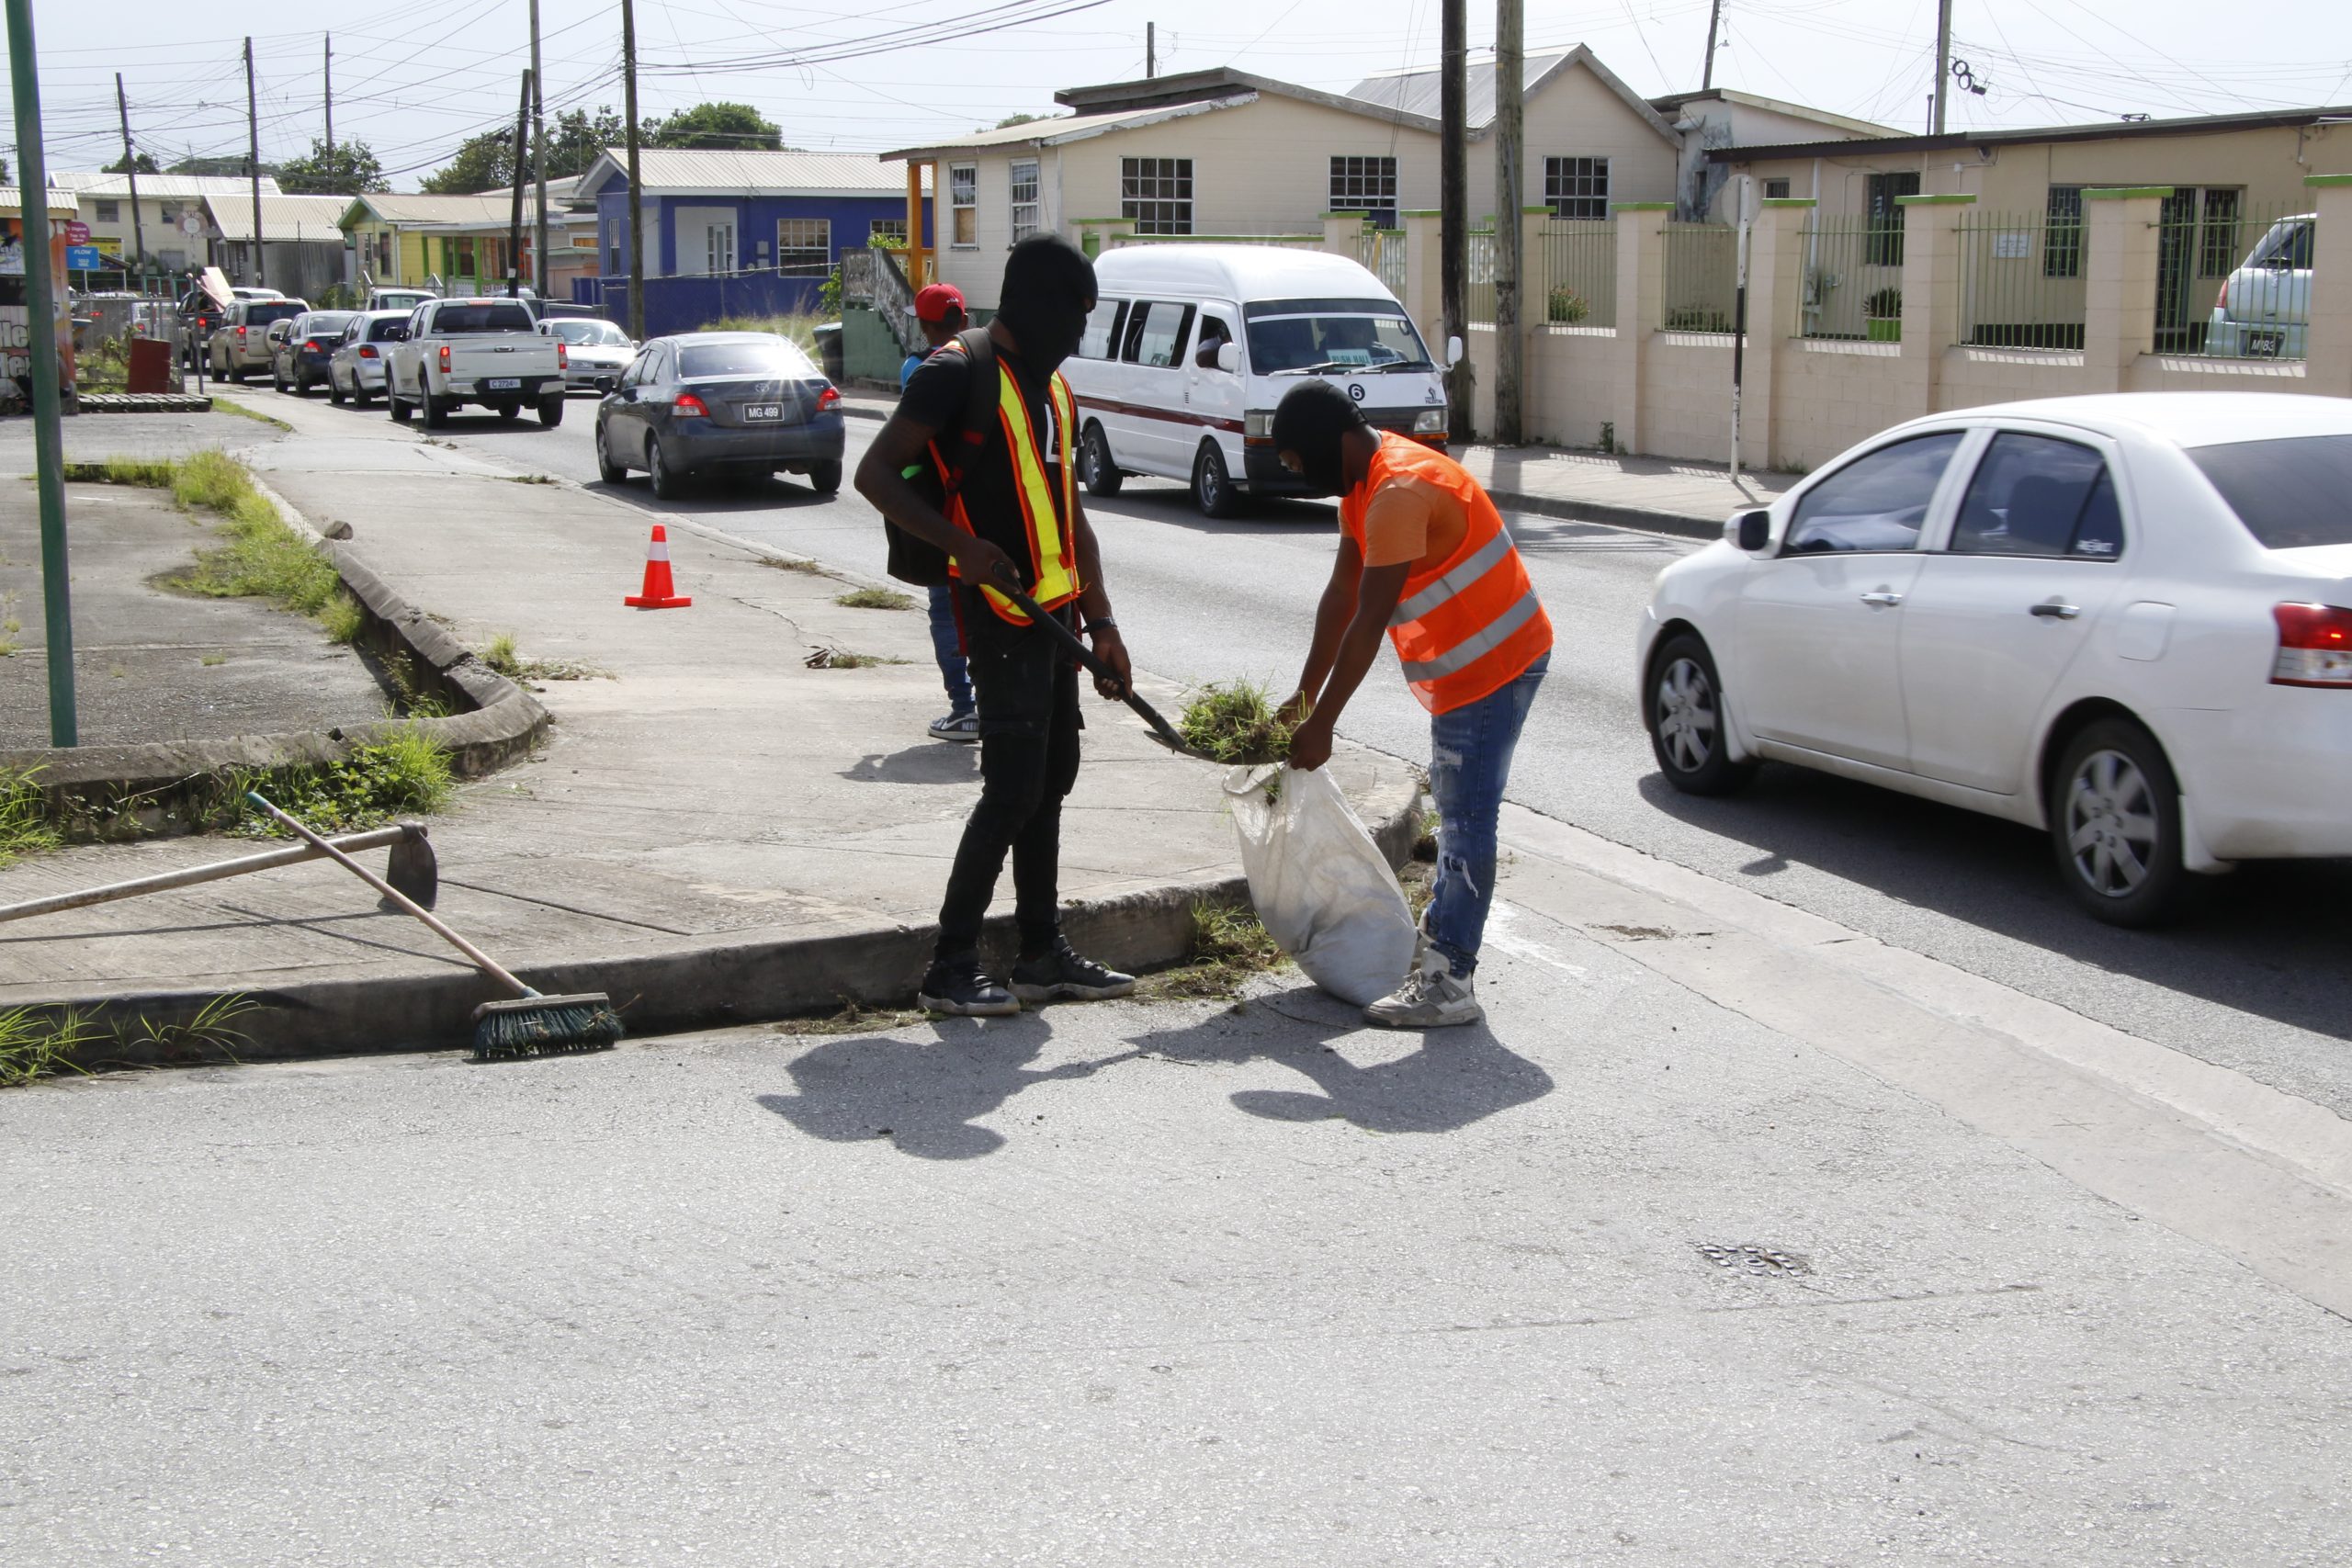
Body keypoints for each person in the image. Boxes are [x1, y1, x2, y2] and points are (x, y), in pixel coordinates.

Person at [855, 236, 1138, 1019]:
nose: (1081, 334)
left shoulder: (1054, 390)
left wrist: (1103, 620)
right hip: (999, 616)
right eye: (1076, 316)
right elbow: (874, 473)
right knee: (1011, 788)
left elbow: (1071, 515)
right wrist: (964, 547)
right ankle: (951, 963)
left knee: (1049, 783)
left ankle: (1042, 953)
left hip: (1056, 620)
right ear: (1040, 306)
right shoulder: (958, 372)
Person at [1271, 379, 1553, 1030]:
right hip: (1472, 667)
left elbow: (1369, 619)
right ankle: (1441, 952)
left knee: (1465, 817)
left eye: (1296, 462)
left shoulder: (1395, 491)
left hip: (1495, 665)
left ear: (1325, 444)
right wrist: (1304, 696)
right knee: (1460, 809)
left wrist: (1323, 725)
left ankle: (1450, 979)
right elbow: (1340, 597)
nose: (1300, 476)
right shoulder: (1365, 482)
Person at [899, 282, 979, 743]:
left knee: (945, 610)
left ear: (924, 324)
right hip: (982, 504)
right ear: (964, 320)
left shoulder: (917, 368)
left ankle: (964, 707)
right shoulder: (984, 365)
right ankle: (994, 704)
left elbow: (908, 452)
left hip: (937, 508)